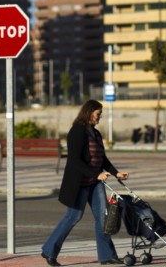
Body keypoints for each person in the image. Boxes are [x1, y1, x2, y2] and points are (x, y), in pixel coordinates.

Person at [42, 100, 130, 266]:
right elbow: (75, 160)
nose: (100, 117)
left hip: (94, 183)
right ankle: (49, 251)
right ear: (89, 113)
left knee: (103, 219)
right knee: (73, 216)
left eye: (101, 114)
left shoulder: (95, 134)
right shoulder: (77, 131)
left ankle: (107, 256)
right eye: (98, 113)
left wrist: (115, 173)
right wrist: (97, 174)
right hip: (79, 183)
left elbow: (102, 158)